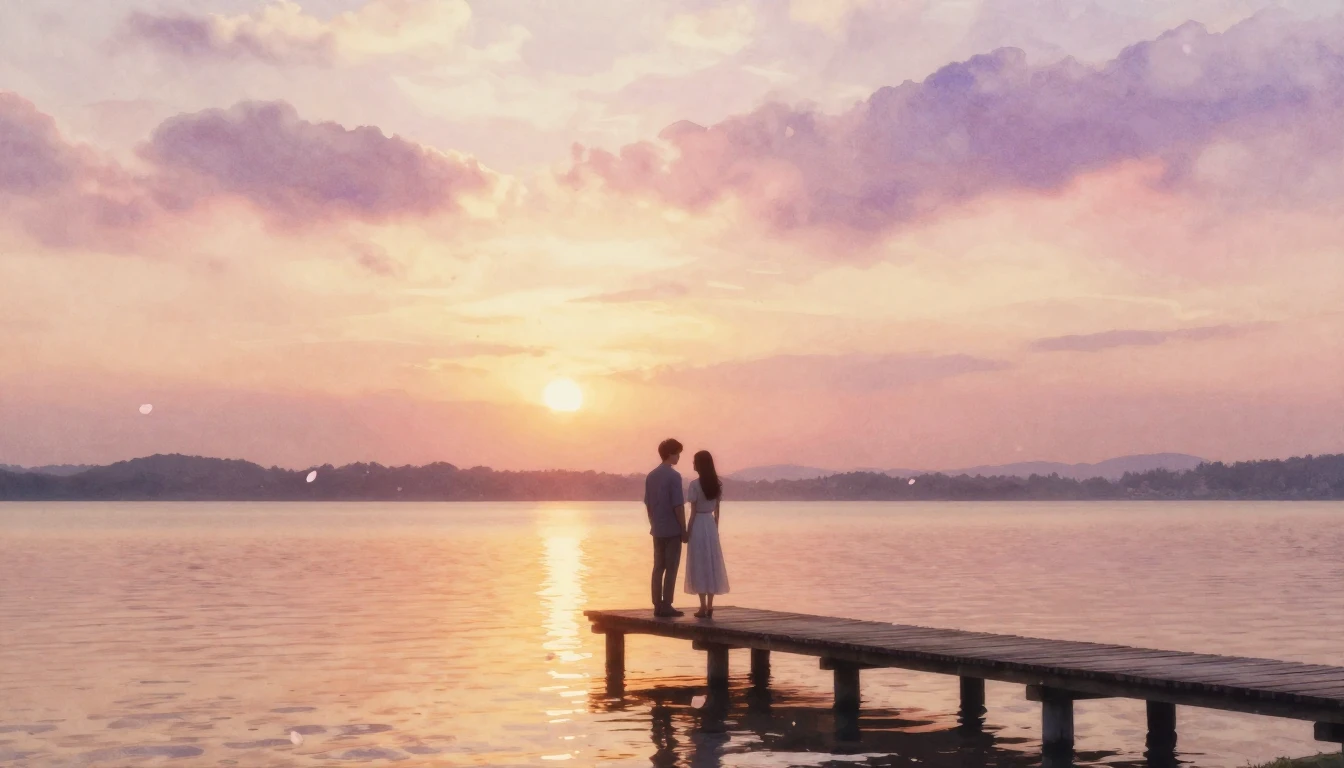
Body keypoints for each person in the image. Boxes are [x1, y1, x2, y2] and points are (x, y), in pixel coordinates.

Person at [684, 450, 729, 618]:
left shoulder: (694, 485)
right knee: (711, 563)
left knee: (699, 563)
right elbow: (717, 511)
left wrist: (687, 531)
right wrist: (715, 529)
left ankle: (702, 606)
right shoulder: (716, 485)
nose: (693, 464)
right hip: (710, 525)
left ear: (700, 465)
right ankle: (710, 606)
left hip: (698, 524)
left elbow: (693, 512)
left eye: (695, 462)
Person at [644, 438, 686, 617]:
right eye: (677, 453)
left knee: (658, 567)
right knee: (671, 567)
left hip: (657, 528)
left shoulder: (651, 476)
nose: (679, 457)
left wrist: (653, 522)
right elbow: (678, 505)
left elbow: (648, 504)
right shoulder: (674, 476)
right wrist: (683, 529)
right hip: (672, 529)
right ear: (670, 454)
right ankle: (667, 604)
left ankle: (657, 605)